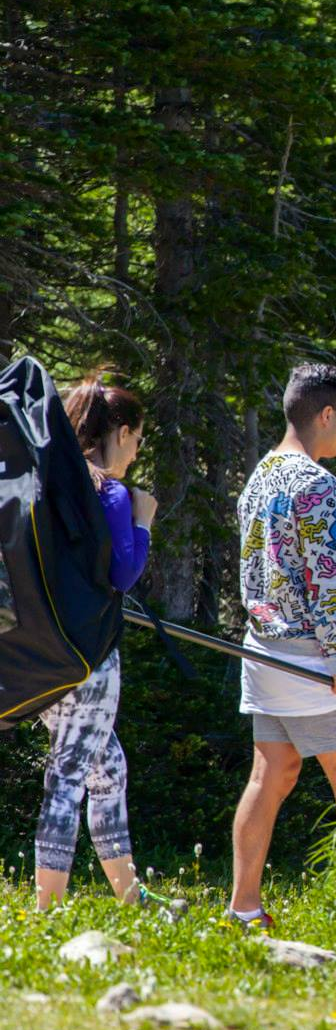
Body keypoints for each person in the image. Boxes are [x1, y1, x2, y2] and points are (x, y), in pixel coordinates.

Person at [228, 363, 336, 931]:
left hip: (260, 650)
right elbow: (315, 580)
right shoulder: (318, 482)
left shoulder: (262, 473)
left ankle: (243, 908)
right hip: (309, 658)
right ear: (325, 414)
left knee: (272, 776)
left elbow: (273, 565)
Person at [33, 377, 171, 912]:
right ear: (119, 432)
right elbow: (124, 572)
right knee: (67, 776)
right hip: (91, 659)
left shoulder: (52, 482)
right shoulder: (108, 491)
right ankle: (46, 912)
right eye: (136, 441)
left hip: (46, 654)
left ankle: (131, 900)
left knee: (107, 768)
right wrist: (144, 519)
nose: (135, 454)